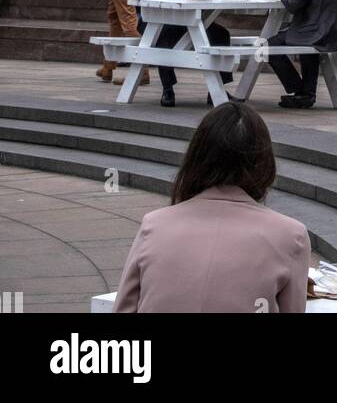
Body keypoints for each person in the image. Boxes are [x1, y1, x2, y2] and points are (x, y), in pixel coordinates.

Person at [113, 101, 311, 313]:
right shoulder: (291, 235)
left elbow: (123, 309)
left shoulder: (154, 224)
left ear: (196, 157)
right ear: (263, 162)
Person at [144, 0, 234, 108]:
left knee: (221, 34)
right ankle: (168, 88)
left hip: (192, 21)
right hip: (165, 21)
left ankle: (217, 89)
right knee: (164, 40)